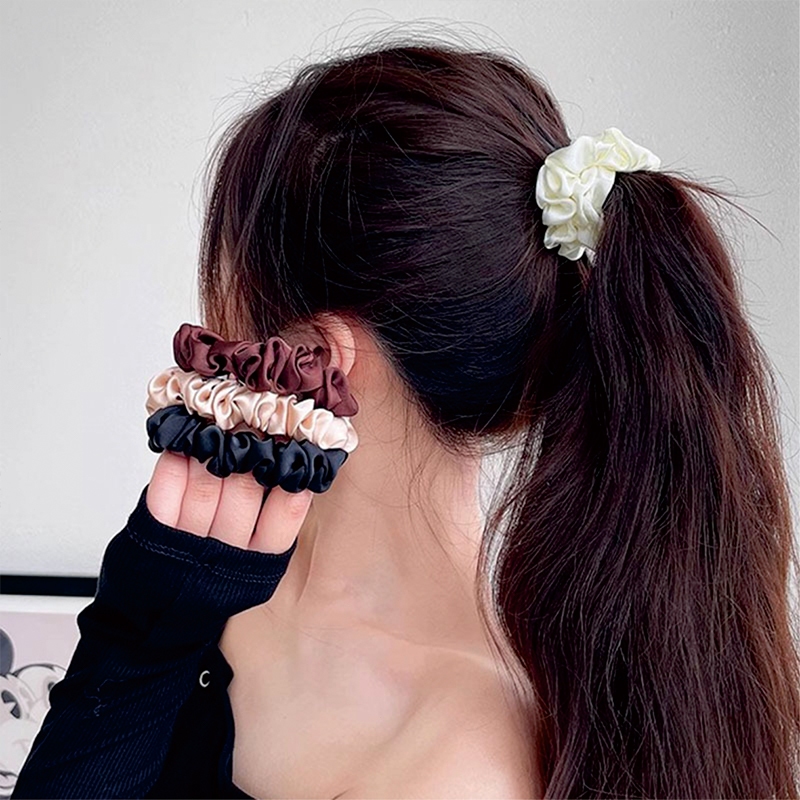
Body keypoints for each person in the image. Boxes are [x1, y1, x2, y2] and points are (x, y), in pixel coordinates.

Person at [12, 37, 800, 798]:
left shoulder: (457, 766)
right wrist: (145, 631)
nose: (213, 340)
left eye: (228, 302)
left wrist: (136, 650)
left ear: (319, 358)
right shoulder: (214, 579)